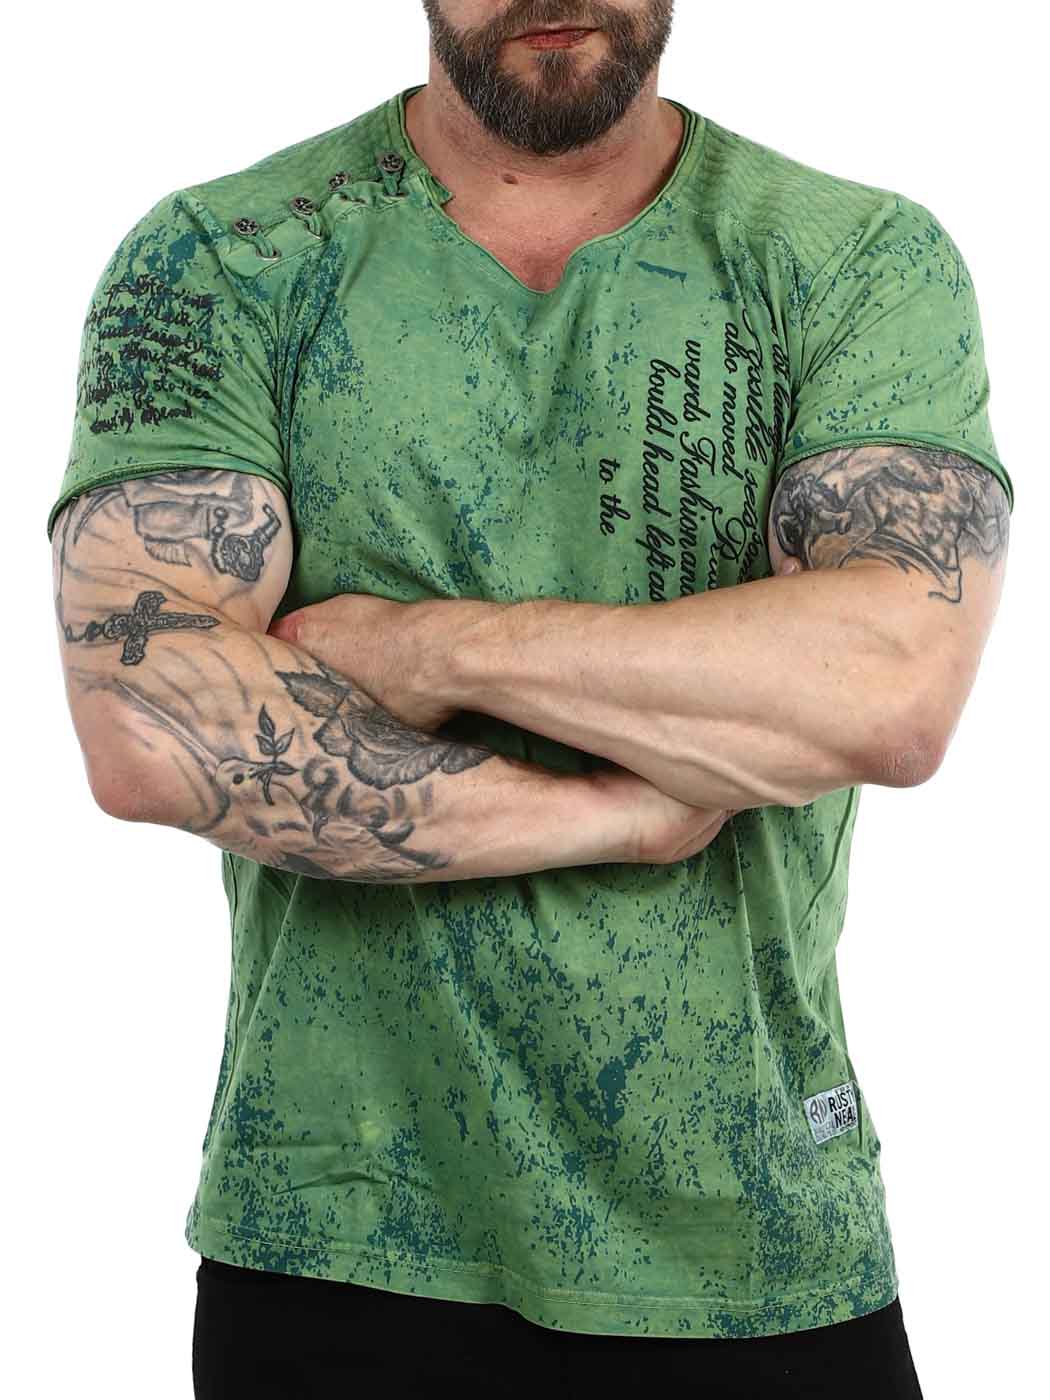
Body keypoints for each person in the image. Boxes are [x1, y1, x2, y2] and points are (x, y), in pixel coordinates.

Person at [48, 2, 1013, 1395]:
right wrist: (612, 817)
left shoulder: (852, 255)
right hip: (340, 1230)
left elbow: (888, 689)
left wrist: (432, 652)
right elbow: (150, 721)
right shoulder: (226, 255)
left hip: (750, 1234)